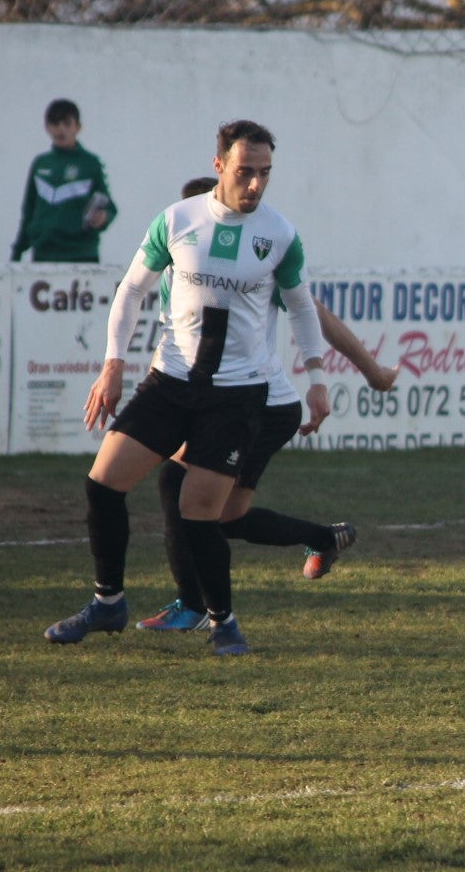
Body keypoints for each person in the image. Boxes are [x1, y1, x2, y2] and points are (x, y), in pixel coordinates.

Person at [43, 120, 329, 657]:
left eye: (265, 174)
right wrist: (112, 364)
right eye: (245, 172)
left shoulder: (280, 234)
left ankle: (224, 621)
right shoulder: (177, 220)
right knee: (103, 482)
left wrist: (316, 377)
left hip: (237, 394)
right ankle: (108, 602)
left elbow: (302, 308)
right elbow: (130, 291)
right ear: (219, 165)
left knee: (201, 512)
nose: (256, 185)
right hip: (171, 381)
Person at [138, 176, 401, 633]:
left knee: (180, 486)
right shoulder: (177, 268)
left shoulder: (245, 263)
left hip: (261, 406)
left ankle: (194, 606)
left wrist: (371, 372)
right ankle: (323, 538)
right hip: (219, 402)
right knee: (227, 517)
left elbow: (317, 316)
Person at [10, 98, 117, 263]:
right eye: (54, 123)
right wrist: (17, 253)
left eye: (67, 123)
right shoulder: (41, 164)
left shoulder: (90, 164)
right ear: (47, 127)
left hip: (82, 254)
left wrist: (103, 217)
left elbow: (109, 207)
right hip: (44, 254)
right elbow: (28, 212)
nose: (60, 129)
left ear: (77, 127)